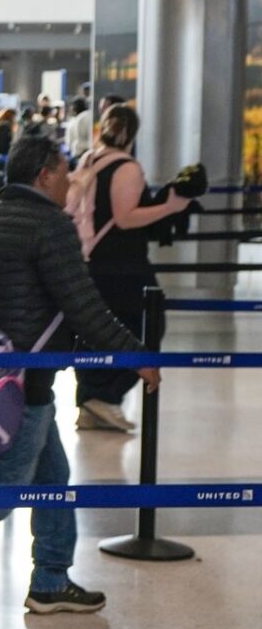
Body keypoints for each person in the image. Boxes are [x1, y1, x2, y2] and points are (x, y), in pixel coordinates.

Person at [0, 138, 158, 621]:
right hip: (30, 379)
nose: (69, 183)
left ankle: (50, 579)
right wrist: (135, 353)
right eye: (64, 173)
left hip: (1, 376)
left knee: (53, 479)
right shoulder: (50, 226)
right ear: (44, 175)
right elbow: (84, 306)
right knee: (8, 487)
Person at [69, 105, 194, 432]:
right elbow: (125, 218)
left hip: (88, 260)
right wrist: (169, 207)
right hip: (123, 264)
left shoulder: (87, 160)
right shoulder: (127, 168)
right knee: (147, 327)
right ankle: (105, 397)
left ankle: (91, 401)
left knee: (93, 332)